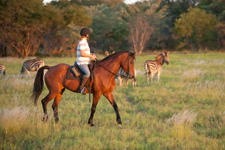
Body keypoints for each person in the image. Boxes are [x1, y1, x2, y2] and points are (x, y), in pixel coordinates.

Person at [76, 28, 96, 95]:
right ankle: (81, 88)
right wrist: (91, 56)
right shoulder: (82, 42)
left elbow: (85, 52)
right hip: (82, 62)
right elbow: (82, 53)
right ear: (87, 35)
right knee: (87, 73)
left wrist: (91, 54)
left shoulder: (85, 42)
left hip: (86, 62)